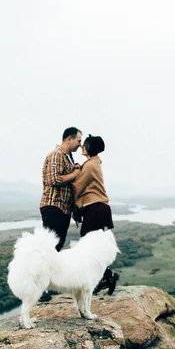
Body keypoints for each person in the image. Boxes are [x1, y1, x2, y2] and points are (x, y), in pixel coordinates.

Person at [72, 134, 119, 295]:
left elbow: (77, 186)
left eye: (84, 144)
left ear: (89, 147)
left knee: (90, 246)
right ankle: (106, 277)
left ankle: (109, 276)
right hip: (98, 208)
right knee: (93, 246)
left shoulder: (90, 165)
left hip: (95, 208)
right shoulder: (92, 163)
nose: (81, 147)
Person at [38, 127, 82, 301]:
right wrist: (76, 173)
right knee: (49, 249)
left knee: (56, 247)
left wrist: (75, 169)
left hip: (63, 208)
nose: (80, 144)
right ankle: (40, 288)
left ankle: (49, 285)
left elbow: (68, 177)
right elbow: (54, 179)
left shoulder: (68, 158)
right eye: (78, 140)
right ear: (69, 139)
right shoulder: (56, 155)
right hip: (53, 206)